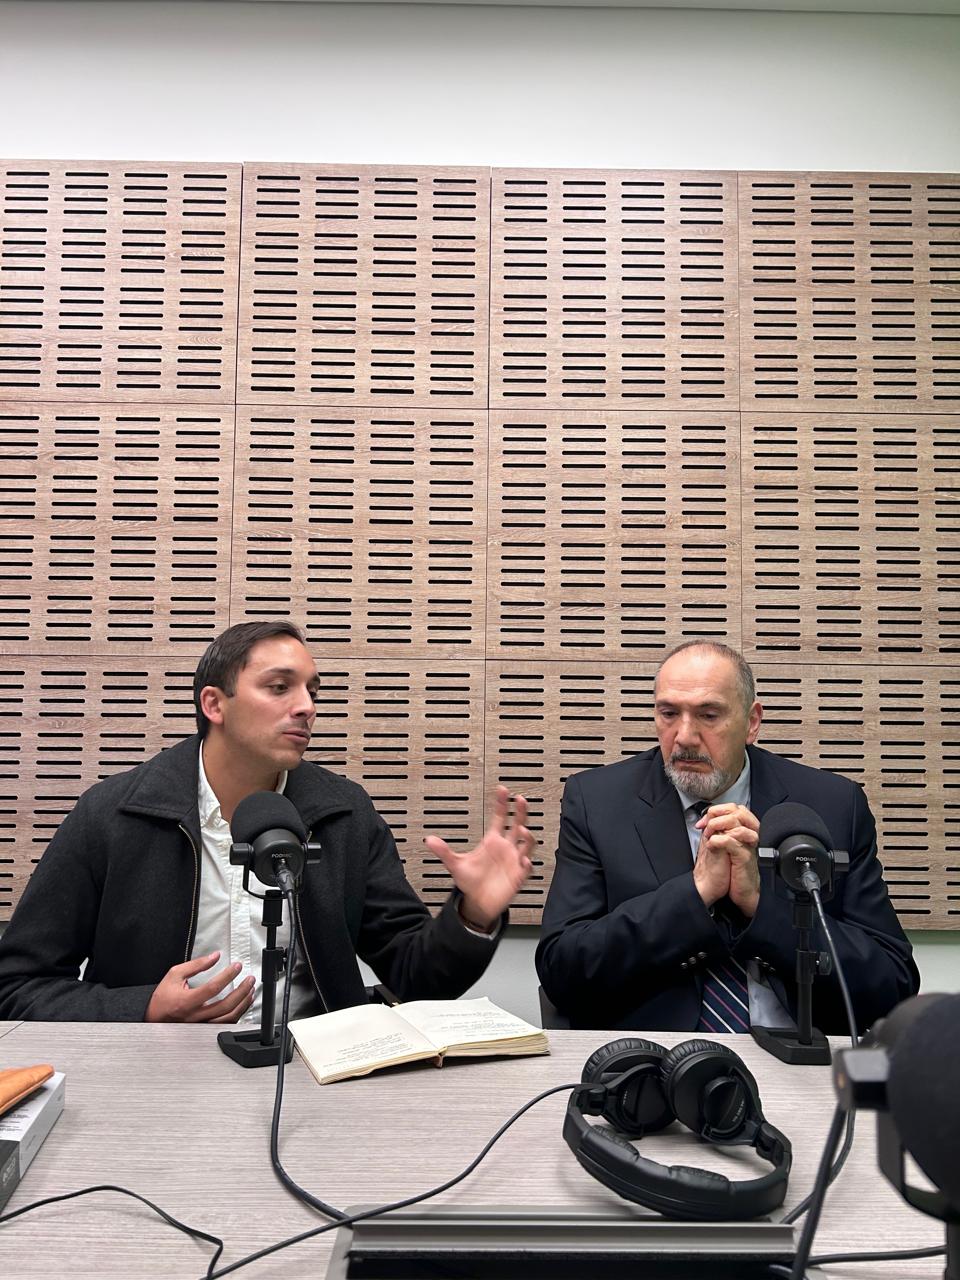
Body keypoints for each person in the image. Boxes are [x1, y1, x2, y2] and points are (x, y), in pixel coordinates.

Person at [0, 621, 534, 1022]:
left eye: (313, 691)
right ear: (214, 704)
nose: (306, 707)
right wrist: (143, 1008)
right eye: (280, 687)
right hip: (153, 1071)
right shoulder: (113, 814)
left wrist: (473, 913)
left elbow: (415, 978)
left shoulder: (344, 813)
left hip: (309, 1071)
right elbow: (18, 986)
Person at [536, 641, 919, 1033]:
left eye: (708, 715)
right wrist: (694, 894)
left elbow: (892, 983)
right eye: (669, 713)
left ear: (752, 722)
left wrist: (760, 906)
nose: (685, 736)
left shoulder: (833, 805)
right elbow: (561, 971)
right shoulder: (597, 802)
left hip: (796, 1052)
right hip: (655, 1055)